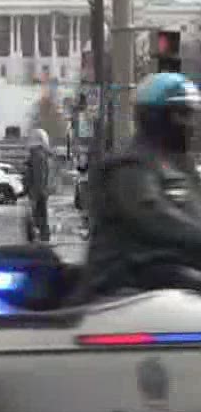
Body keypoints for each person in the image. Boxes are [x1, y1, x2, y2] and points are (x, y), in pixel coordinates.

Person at [75, 72, 201, 299]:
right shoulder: (129, 167)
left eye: (192, 114)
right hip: (120, 288)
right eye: (182, 115)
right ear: (155, 117)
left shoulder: (183, 169)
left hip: (167, 282)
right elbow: (155, 216)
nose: (191, 124)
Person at [22, 129, 53, 242]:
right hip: (39, 192)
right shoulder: (41, 155)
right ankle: (42, 237)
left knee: (38, 217)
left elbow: (38, 176)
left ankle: (41, 238)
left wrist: (34, 194)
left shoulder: (37, 156)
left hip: (37, 192)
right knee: (41, 216)